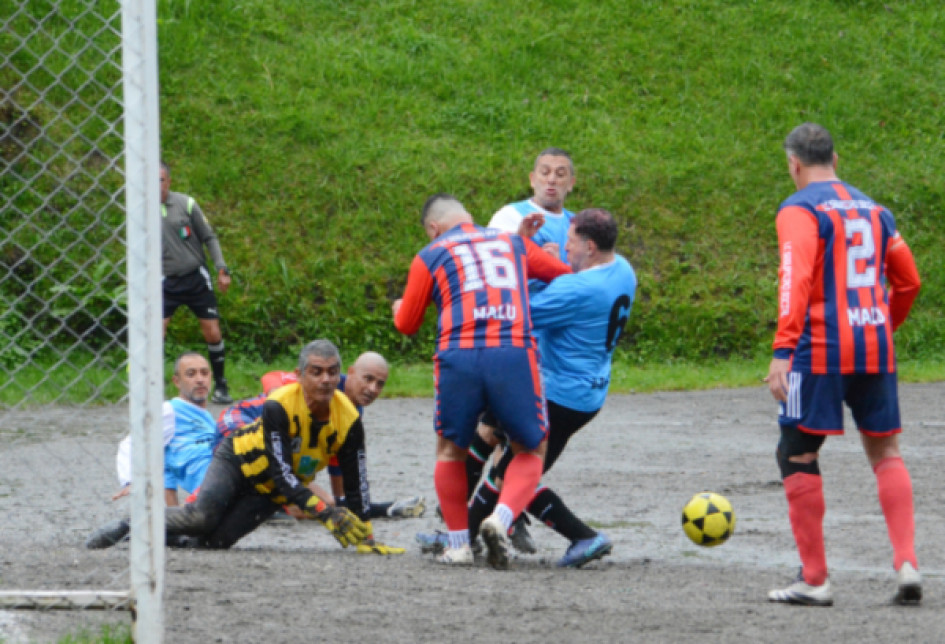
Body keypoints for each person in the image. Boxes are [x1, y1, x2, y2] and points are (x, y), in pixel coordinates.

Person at [421, 208, 637, 568]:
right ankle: (462, 533)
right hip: (588, 391)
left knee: (517, 470)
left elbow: (514, 308)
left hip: (559, 393)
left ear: (591, 245)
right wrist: (546, 262)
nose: (563, 247)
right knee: (489, 433)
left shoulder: (577, 288)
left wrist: (535, 266)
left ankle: (584, 537)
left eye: (569, 242)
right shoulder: (622, 269)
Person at [764, 123, 922, 606]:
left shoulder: (799, 209)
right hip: (874, 343)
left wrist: (782, 351)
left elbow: (796, 278)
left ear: (794, 164)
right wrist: (879, 324)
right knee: (886, 452)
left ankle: (814, 579)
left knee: (796, 451)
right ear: (837, 159)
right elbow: (909, 281)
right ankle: (907, 563)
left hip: (819, 348)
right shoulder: (876, 210)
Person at [86, 340, 402, 555]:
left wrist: (368, 537)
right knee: (202, 517)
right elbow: (283, 473)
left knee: (213, 543)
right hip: (238, 458)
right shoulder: (280, 404)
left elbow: (355, 482)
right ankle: (133, 522)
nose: (325, 380)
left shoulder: (349, 420)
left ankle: (152, 535)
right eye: (316, 372)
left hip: (271, 488)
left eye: (332, 372)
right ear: (301, 375)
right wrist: (326, 512)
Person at [392, 193, 571, 568]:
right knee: (530, 448)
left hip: (458, 354)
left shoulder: (431, 253)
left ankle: (457, 546)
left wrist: (398, 310)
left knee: (449, 451)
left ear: (433, 228)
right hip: (511, 350)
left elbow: (407, 325)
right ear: (470, 218)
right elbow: (561, 274)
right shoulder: (511, 241)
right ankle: (500, 519)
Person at [214, 352, 426, 520]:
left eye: (380, 384)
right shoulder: (323, 384)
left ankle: (385, 509)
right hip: (237, 421)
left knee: (321, 501)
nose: (372, 389)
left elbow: (338, 464)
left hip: (273, 447)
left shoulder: (351, 413)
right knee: (296, 487)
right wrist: (277, 398)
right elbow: (271, 376)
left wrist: (342, 502)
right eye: (368, 379)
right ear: (350, 373)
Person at [160, 160, 233, 404]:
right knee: (156, 331)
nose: (156, 186)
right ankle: (152, 386)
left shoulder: (186, 204)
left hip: (195, 278)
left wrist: (221, 267)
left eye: (161, 180)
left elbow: (209, 237)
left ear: (169, 182)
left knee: (211, 331)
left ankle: (221, 384)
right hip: (164, 280)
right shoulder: (140, 208)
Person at [112, 352, 220, 506]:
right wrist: (130, 480)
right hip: (215, 490)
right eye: (191, 374)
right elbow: (130, 443)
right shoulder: (170, 410)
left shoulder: (207, 418)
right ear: (177, 381)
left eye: (204, 373)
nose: (200, 379)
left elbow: (166, 464)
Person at [488, 147, 576, 262]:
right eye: (545, 173)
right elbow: (493, 263)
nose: (551, 180)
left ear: (571, 183)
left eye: (560, 174)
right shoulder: (510, 215)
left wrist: (556, 268)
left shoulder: (578, 224)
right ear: (532, 179)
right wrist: (519, 241)